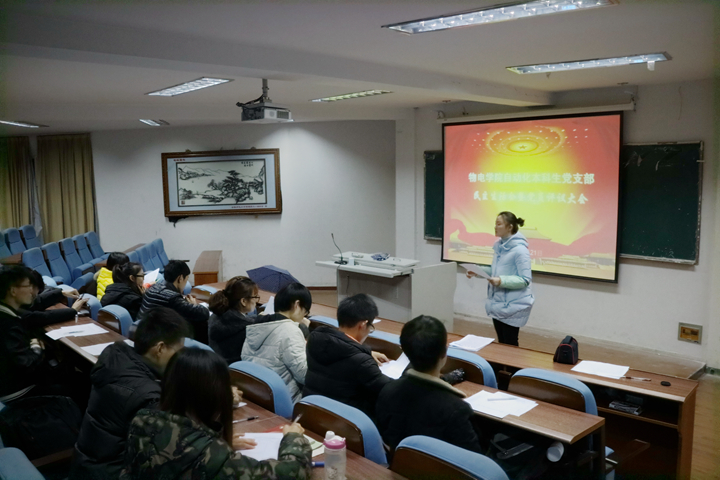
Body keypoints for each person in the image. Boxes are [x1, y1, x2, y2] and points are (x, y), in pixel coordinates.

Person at [120, 348, 312, 479]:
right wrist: (293, 438)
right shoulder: (211, 458)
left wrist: (218, 442)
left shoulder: (142, 420)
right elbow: (292, 473)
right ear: (213, 396)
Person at [71, 307, 190, 480]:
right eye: (178, 352)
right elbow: (166, 455)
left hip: (88, 465)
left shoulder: (118, 359)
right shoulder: (147, 397)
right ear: (160, 348)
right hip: (113, 473)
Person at [376, 315, 483, 453]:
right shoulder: (457, 409)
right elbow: (473, 459)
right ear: (445, 352)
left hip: (400, 462)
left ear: (404, 350)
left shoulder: (387, 391)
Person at [0, 265, 86, 403]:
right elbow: (27, 366)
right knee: (80, 386)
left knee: (73, 374)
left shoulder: (7, 309)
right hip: (19, 391)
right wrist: (37, 347)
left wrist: (60, 293)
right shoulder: (8, 324)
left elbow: (36, 303)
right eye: (28, 286)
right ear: (13, 290)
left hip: (19, 382)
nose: (32, 291)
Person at [303, 294, 391, 419]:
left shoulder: (314, 340)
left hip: (313, 413)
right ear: (363, 325)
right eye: (370, 327)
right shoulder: (362, 361)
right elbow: (389, 390)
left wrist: (366, 352)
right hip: (347, 421)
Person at [467, 211, 534, 346]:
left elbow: (525, 280)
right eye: (495, 224)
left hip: (513, 305)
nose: (495, 227)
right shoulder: (500, 247)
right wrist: (477, 271)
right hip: (498, 303)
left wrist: (501, 281)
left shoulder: (520, 251)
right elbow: (495, 271)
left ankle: (512, 361)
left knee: (510, 344)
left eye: (499, 224)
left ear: (510, 227)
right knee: (502, 343)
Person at [242, 283, 311, 402]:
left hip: (257, 395)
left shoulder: (256, 325)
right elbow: (304, 376)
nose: (305, 316)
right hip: (284, 400)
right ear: (297, 305)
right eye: (306, 311)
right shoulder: (291, 331)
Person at [138, 260, 209, 343]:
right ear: (180, 278)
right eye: (186, 279)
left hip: (143, 330)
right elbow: (204, 313)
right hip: (157, 337)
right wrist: (194, 304)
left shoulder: (152, 288)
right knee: (201, 323)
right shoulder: (172, 297)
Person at [208, 276, 259, 364]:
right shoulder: (247, 329)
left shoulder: (216, 315)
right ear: (243, 301)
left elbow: (243, 319)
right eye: (255, 297)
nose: (257, 301)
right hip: (234, 369)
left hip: (217, 364)